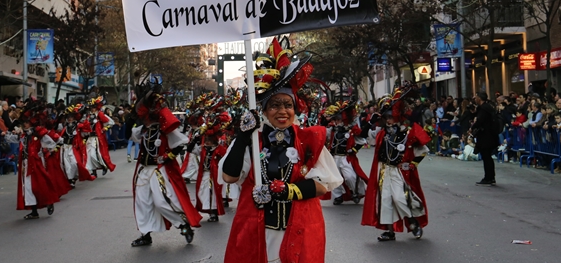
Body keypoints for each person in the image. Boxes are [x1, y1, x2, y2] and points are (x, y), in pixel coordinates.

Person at [220, 38, 342, 263]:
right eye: (274, 105)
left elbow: (324, 185)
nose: (282, 111)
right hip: (258, 232)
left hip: (298, 230)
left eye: (288, 105)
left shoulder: (309, 139)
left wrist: (287, 190)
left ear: (296, 108)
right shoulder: (253, 141)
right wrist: (243, 135)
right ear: (264, 110)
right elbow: (229, 176)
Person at [130, 83, 201, 247]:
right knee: (142, 202)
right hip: (143, 171)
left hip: (158, 171)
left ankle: (184, 226)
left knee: (162, 201)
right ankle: (145, 234)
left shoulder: (165, 131)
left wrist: (166, 157)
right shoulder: (141, 131)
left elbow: (180, 145)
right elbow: (131, 134)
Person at [362, 84, 430, 242]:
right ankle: (389, 231)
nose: (388, 120)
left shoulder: (408, 132)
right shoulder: (381, 133)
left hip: (399, 172)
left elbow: (423, 149)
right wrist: (371, 121)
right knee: (385, 201)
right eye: (386, 118)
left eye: (391, 117)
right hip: (384, 170)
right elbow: (365, 135)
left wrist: (412, 164)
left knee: (400, 198)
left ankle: (413, 222)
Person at [8, 103, 59, 219]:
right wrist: (9, 133)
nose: (24, 125)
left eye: (26, 122)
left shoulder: (38, 133)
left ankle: (48, 201)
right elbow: (13, 139)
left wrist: (43, 152)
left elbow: (51, 142)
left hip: (36, 163)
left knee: (39, 185)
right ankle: (34, 211)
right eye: (23, 123)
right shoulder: (23, 135)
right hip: (26, 164)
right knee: (28, 187)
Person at [470, 91, 500, 186]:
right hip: (490, 135)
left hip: (486, 136)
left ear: (480, 98)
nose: (475, 99)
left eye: (476, 97)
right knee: (487, 157)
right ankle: (490, 177)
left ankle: (488, 177)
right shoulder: (489, 107)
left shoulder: (484, 109)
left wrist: (472, 127)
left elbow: (480, 121)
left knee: (486, 157)